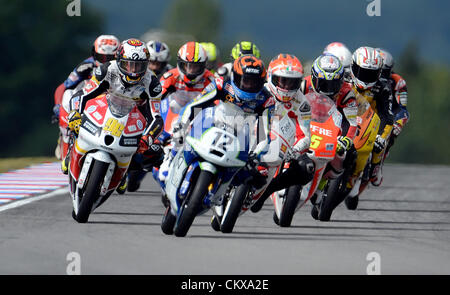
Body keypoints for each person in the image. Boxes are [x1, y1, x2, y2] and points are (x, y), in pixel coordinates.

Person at [159, 55, 275, 193]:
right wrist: (182, 124)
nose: (249, 86)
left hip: (242, 134)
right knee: (181, 136)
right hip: (214, 122)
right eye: (245, 81)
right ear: (235, 77)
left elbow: (264, 135)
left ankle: (226, 191)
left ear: (262, 82)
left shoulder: (267, 100)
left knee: (255, 176)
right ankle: (171, 157)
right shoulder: (221, 83)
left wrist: (256, 156)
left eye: (254, 83)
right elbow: (195, 105)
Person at [63, 38, 165, 195]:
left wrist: (148, 139)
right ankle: (71, 146)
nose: (133, 70)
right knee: (74, 111)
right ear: (119, 61)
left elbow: (156, 117)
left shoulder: (152, 83)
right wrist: (75, 113)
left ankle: (125, 172)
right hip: (105, 106)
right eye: (128, 64)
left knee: (157, 152)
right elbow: (84, 94)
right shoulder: (106, 70)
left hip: (135, 116)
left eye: (138, 66)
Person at [250, 53, 315, 213]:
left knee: (306, 167)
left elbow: (306, 134)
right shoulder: (259, 90)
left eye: (292, 82)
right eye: (282, 81)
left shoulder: (302, 103)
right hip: (254, 135)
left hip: (282, 145)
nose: (286, 87)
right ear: (271, 76)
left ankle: (269, 189)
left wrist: (295, 150)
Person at [52, 35, 120, 159]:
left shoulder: (122, 69)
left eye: (111, 58)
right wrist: (58, 105)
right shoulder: (87, 65)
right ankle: (65, 136)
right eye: (102, 57)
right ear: (94, 54)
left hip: (110, 104)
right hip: (87, 101)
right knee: (68, 94)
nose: (106, 62)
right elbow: (64, 87)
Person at [346, 46, 394, 200]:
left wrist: (381, 137)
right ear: (353, 67)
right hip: (346, 118)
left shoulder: (383, 88)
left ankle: (375, 167)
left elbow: (388, 116)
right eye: (363, 72)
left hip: (370, 123)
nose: (366, 77)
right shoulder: (344, 79)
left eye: (371, 74)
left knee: (381, 144)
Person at [376, 48, 410, 160]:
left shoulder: (398, 82)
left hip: (388, 115)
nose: (380, 75)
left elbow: (403, 110)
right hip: (369, 114)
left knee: (394, 129)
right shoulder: (365, 79)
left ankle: (382, 156)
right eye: (378, 71)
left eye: (384, 72)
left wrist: (397, 124)